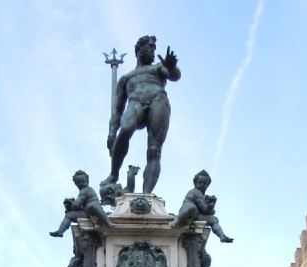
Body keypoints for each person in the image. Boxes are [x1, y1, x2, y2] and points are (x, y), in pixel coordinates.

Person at [101, 35, 181, 194]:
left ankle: (146, 195)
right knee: (125, 129)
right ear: (139, 49)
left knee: (154, 150)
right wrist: (111, 133)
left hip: (158, 99)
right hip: (135, 101)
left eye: (154, 48)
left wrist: (171, 67)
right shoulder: (126, 78)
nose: (152, 50)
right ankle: (114, 174)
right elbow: (117, 110)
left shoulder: (158, 68)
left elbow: (174, 75)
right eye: (149, 46)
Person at [171, 170, 233, 243]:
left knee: (214, 219)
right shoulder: (195, 192)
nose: (202, 185)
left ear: (207, 185)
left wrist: (211, 207)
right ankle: (177, 220)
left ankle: (222, 236)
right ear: (195, 183)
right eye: (200, 183)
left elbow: (208, 211)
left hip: (197, 215)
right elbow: (204, 209)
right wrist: (210, 207)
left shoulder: (203, 196)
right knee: (191, 207)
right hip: (188, 212)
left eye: (204, 183)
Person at [50, 170, 115, 238]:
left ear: (87, 181)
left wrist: (70, 202)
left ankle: (108, 222)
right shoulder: (82, 191)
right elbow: (79, 205)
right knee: (68, 215)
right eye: (78, 182)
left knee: (94, 206)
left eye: (83, 181)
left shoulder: (86, 190)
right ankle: (60, 231)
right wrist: (70, 204)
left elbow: (76, 205)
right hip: (87, 212)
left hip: (93, 211)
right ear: (76, 184)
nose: (81, 184)